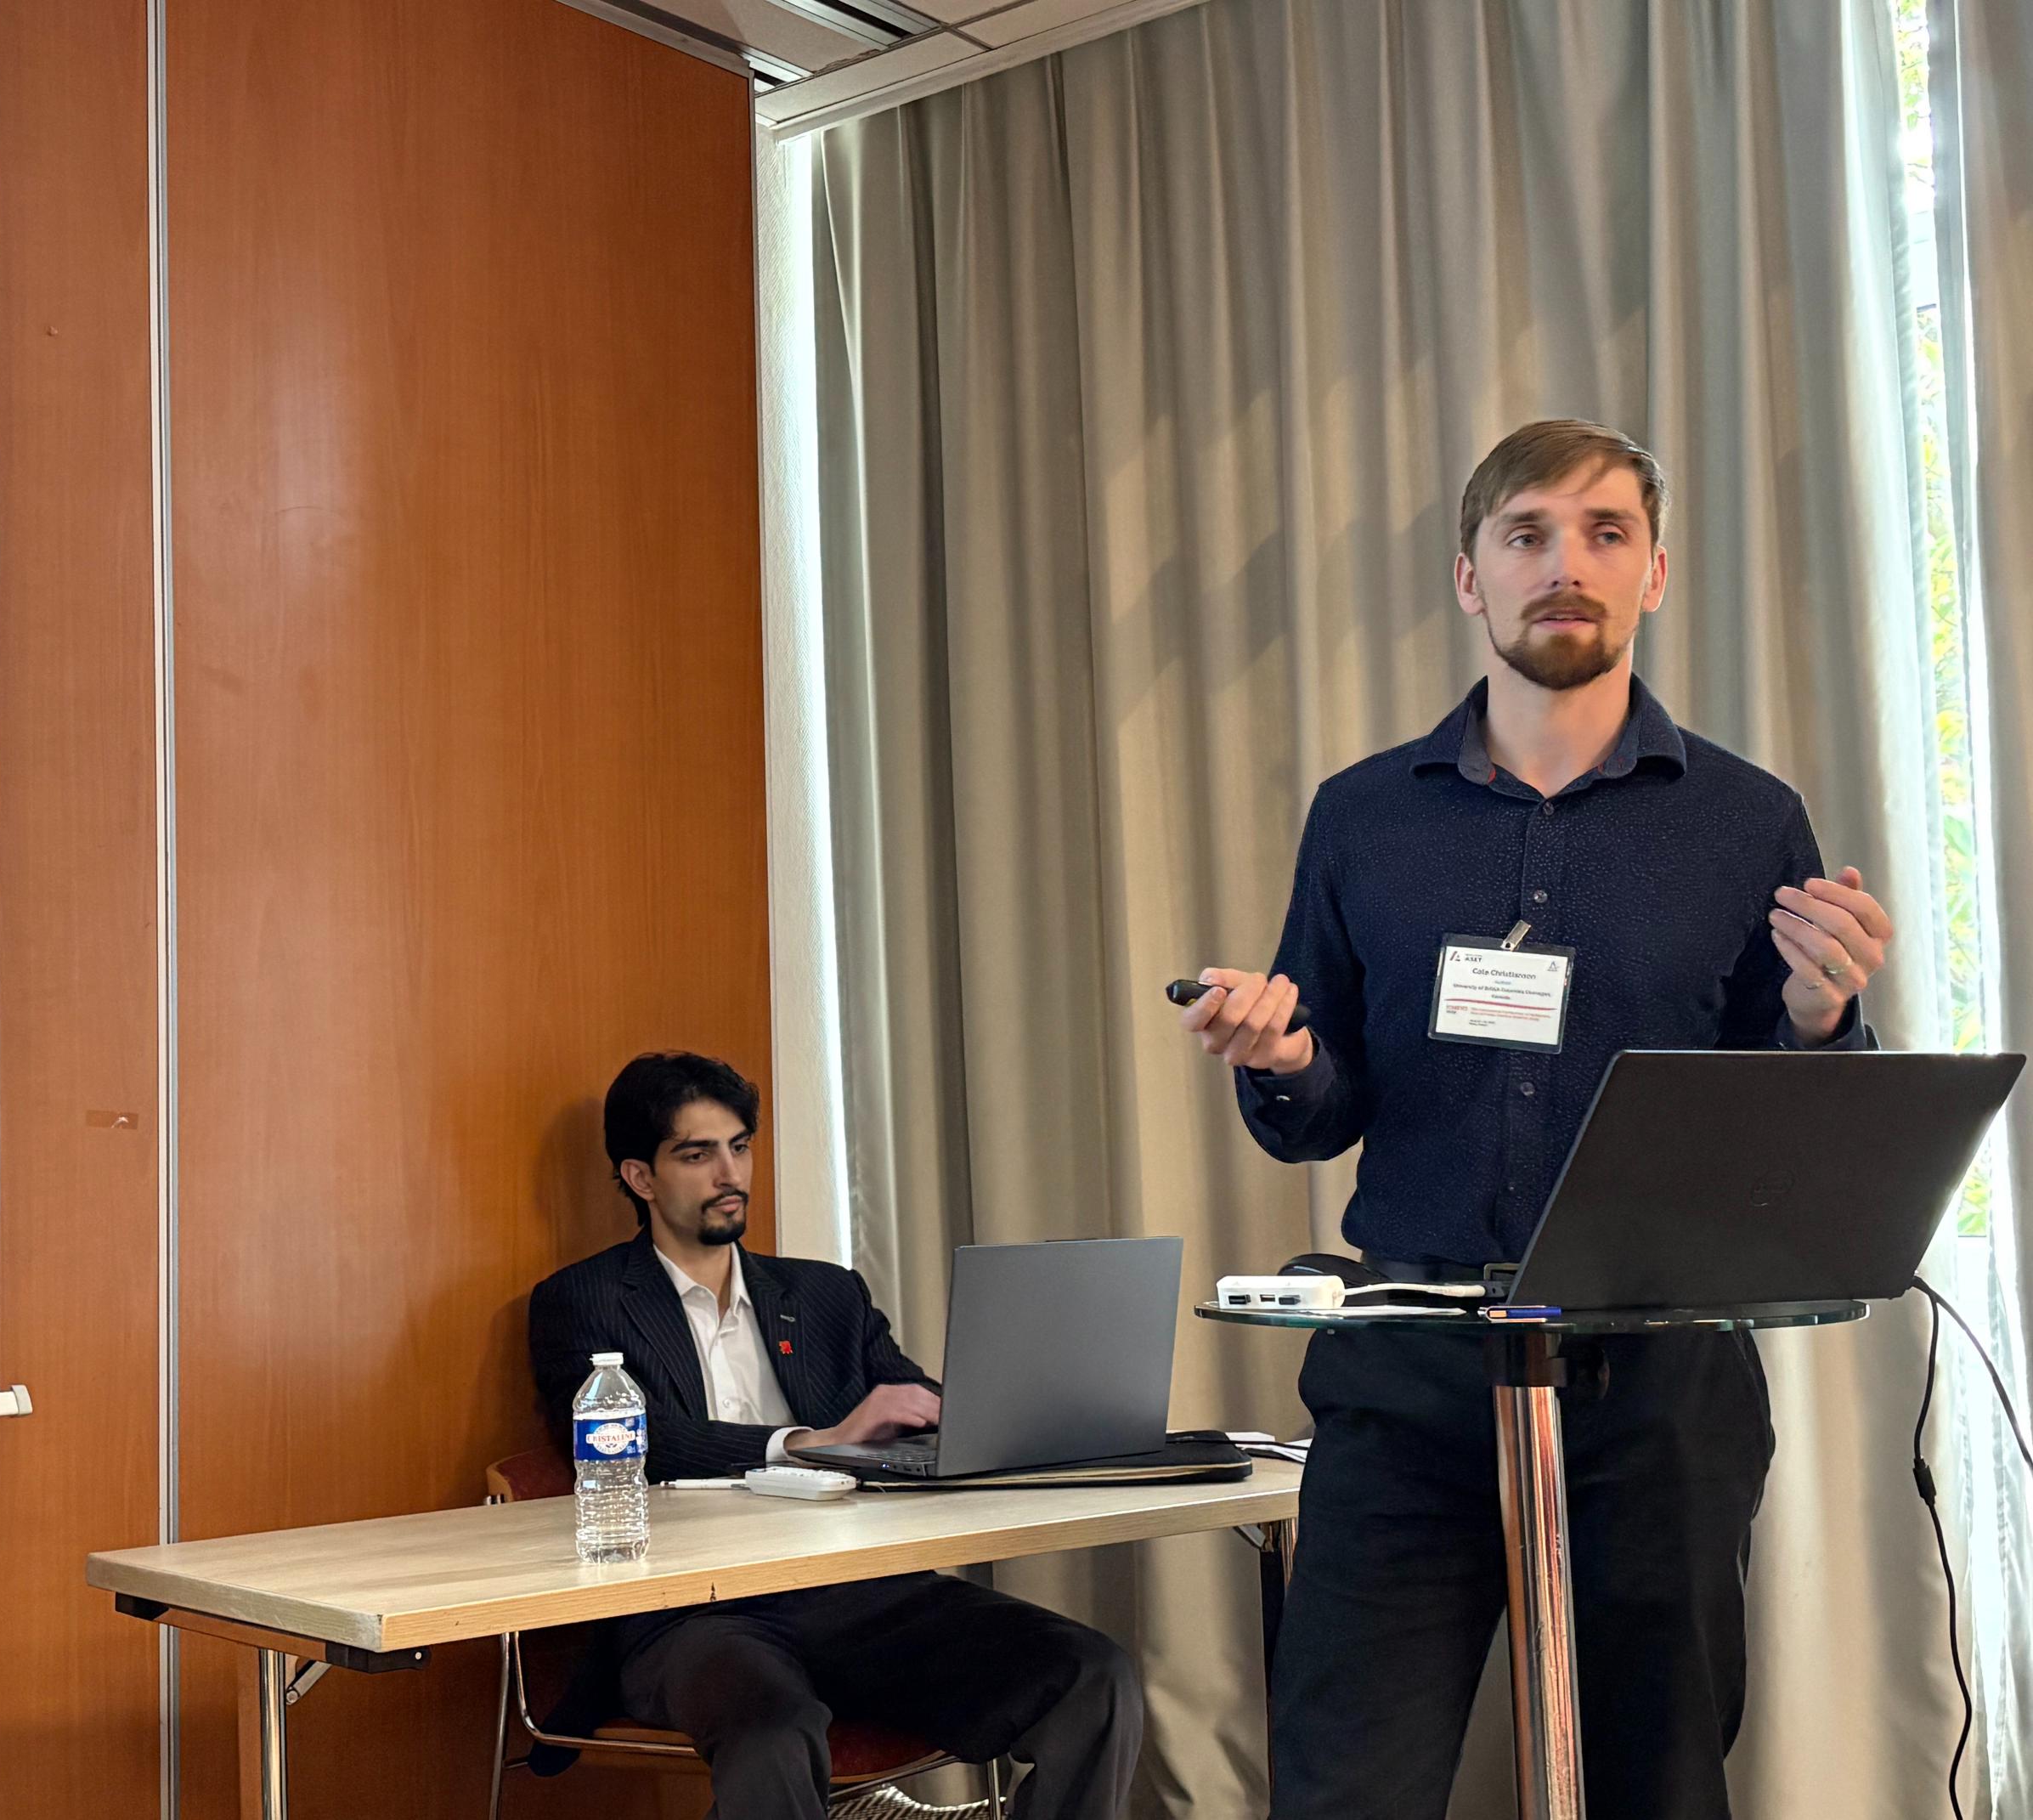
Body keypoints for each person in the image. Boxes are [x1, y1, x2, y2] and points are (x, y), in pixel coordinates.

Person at [1179, 420, 1892, 1820]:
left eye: (1604, 532)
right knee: (1343, 1788)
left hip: (1659, 1390)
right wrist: (1283, 1054)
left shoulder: (1749, 821)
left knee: (1658, 1786)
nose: (1565, 562)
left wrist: (1822, 1019)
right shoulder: (1363, 816)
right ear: (1470, 577)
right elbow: (1318, 1111)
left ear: (1654, 573)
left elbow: (1784, 1144)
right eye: (1526, 534)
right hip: (1407, 1376)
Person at [528, 1051, 1143, 1820]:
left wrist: (1005, 1408)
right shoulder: (583, 1300)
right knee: (771, 1729)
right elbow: (644, 1445)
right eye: (697, 1154)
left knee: (1093, 1674)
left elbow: (912, 1400)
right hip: (695, 1613)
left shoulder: (824, 1293)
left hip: (861, 1594)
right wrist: (811, 1440)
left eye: (740, 1146)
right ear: (640, 1177)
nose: (730, 1173)